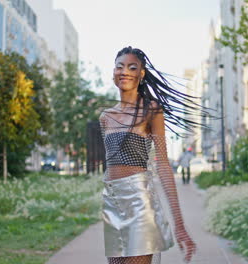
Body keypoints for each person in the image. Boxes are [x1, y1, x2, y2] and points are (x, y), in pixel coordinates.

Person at [99, 46, 206, 264]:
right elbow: (111, 165)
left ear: (141, 73)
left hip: (139, 202)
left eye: (132, 67)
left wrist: (179, 223)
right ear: (113, 73)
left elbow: (163, 165)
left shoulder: (151, 110)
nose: (125, 71)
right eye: (120, 66)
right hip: (112, 202)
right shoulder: (106, 117)